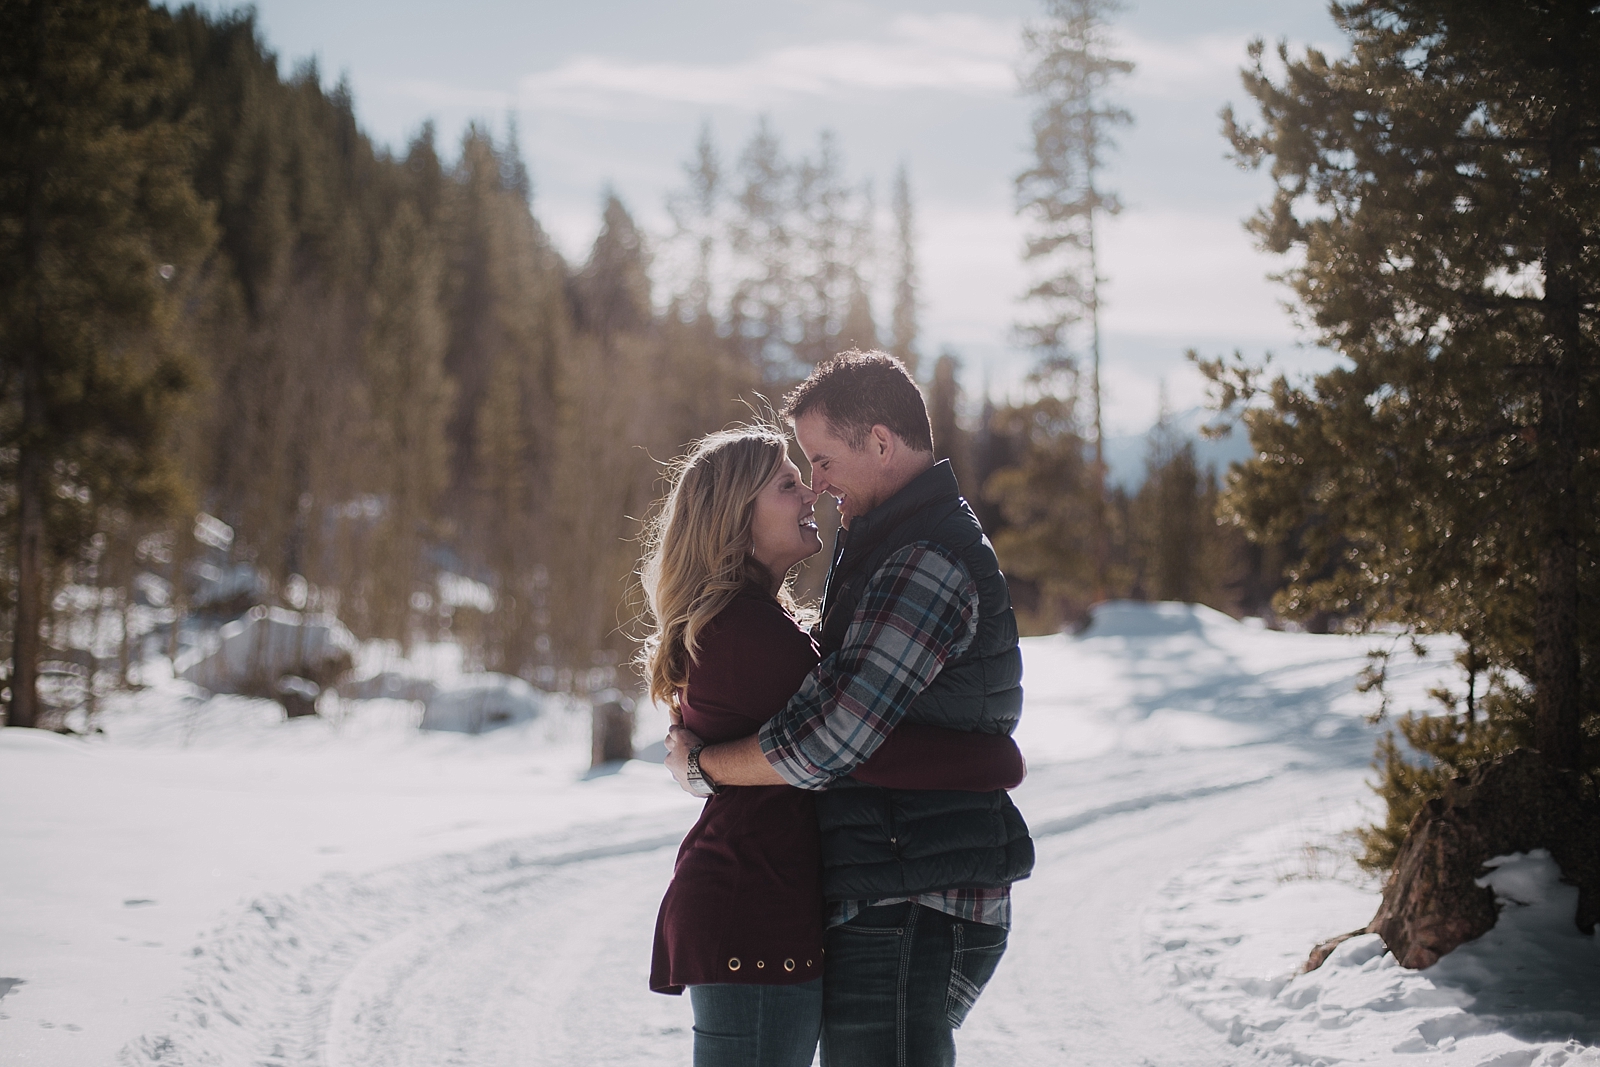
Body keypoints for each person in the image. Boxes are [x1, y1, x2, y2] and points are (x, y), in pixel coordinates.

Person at [666, 351, 1034, 1067]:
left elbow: (833, 737)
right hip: (891, 882)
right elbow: (840, 726)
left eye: (822, 459)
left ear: (881, 443)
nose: (817, 484)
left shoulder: (921, 555)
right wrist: (986, 758)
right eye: (799, 472)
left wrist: (705, 768)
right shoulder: (878, 548)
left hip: (913, 890)